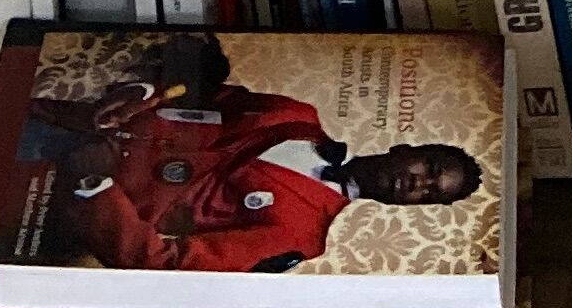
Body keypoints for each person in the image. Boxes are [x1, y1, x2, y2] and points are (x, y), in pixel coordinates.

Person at [55, 76, 482, 278]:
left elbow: (169, 265)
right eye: (430, 168)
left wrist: (95, 188)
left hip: (55, 192)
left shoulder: (300, 236)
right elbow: (198, 89)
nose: (419, 184)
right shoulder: (295, 114)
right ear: (406, 149)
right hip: (60, 117)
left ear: (409, 208)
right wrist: (140, 93)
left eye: (429, 194)